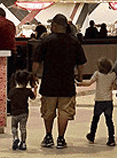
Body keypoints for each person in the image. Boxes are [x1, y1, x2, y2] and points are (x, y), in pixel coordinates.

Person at [32, 13, 86, 148]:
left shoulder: (46, 41)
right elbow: (80, 63)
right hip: (67, 82)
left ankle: (48, 136)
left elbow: (37, 61)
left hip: (49, 82)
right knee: (64, 111)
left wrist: (33, 75)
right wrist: (80, 77)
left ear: (55, 26)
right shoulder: (74, 41)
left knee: (48, 111)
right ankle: (61, 138)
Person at [78, 57, 117, 146]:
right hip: (108, 101)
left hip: (99, 101)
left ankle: (92, 135)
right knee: (109, 120)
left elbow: (89, 83)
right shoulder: (112, 75)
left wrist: (79, 83)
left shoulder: (97, 74)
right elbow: (115, 87)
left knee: (95, 119)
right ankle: (111, 139)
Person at [7, 69, 36, 150]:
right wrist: (35, 89)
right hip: (24, 113)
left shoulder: (12, 91)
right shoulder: (27, 91)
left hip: (14, 113)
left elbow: (8, 99)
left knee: (14, 127)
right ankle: (23, 143)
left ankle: (15, 138)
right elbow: (33, 98)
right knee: (23, 128)